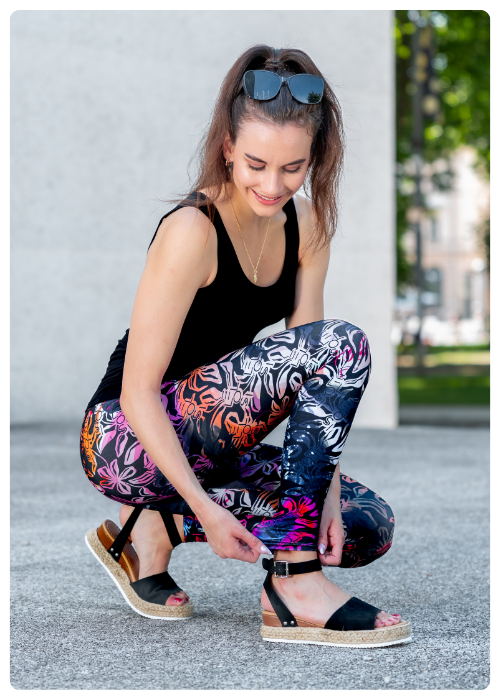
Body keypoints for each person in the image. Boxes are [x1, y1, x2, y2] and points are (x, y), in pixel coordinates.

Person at [80, 44, 411, 647]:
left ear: (315, 157)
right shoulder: (192, 230)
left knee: (363, 525)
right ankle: (293, 584)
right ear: (228, 146)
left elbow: (315, 377)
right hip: (124, 436)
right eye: (256, 163)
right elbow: (137, 392)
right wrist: (209, 510)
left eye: (293, 167)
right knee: (345, 344)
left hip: (216, 439)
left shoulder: (307, 226)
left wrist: (323, 492)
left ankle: (154, 529)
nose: (272, 184)